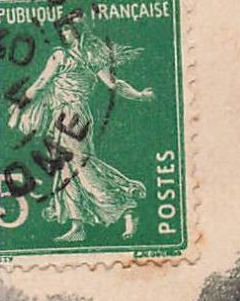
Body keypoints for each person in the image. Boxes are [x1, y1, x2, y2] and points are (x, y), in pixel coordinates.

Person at [10, 16, 153, 242]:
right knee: (66, 168)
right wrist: (140, 95)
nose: (63, 34)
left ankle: (126, 205)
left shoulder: (62, 56)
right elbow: (114, 84)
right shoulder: (91, 58)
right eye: (62, 30)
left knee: (80, 165)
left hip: (71, 116)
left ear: (76, 31)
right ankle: (78, 226)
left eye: (67, 29)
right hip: (70, 115)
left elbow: (39, 85)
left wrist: (20, 107)